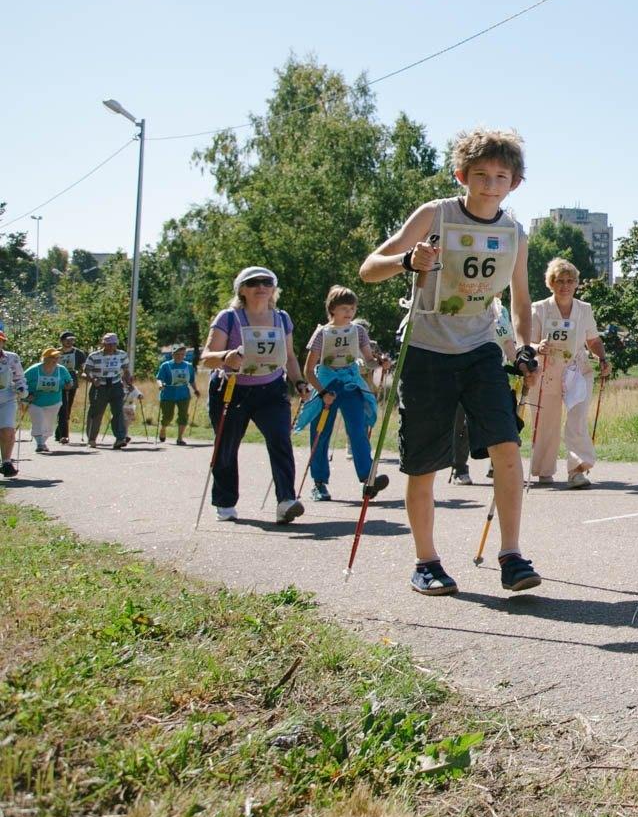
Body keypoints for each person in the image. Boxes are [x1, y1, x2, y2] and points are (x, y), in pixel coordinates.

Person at [360, 127, 542, 596]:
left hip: (480, 348)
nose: (489, 184)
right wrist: (407, 262)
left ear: (514, 183)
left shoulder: (514, 232)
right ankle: (427, 562)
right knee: (423, 463)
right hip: (425, 348)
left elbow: (520, 301)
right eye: (480, 175)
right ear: (462, 175)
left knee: (506, 445)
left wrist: (523, 345)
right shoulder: (435, 214)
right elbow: (369, 268)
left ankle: (512, 555)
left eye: (501, 176)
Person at [201, 267, 312, 523]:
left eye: (266, 282)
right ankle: (225, 503)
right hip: (231, 389)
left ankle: (286, 501)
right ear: (241, 290)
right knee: (226, 447)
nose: (260, 287)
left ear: (273, 289)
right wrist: (225, 357)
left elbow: (290, 356)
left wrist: (299, 383)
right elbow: (207, 358)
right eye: (253, 283)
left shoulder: (281, 318)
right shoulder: (228, 318)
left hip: (271, 389)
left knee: (280, 441)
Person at [527, 258, 609, 489]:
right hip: (547, 371)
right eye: (560, 281)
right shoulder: (539, 309)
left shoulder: (585, 309)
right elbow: (528, 343)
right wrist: (537, 348)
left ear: (576, 284)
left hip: (577, 371)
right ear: (551, 283)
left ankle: (577, 470)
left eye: (570, 281)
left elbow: (593, 340)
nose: (565, 285)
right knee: (545, 422)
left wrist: (602, 358)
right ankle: (544, 471)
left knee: (577, 420)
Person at [301, 286, 388, 503]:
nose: (349, 312)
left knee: (358, 430)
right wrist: (321, 393)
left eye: (352, 308)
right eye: (344, 308)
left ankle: (367, 479)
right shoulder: (322, 333)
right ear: (332, 309)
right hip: (328, 384)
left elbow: (368, 359)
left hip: (351, 384)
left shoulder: (358, 331)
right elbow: (308, 369)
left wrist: (379, 362)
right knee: (321, 433)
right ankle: (319, 483)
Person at [82, 332, 132, 448]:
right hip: (99, 387)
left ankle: (120, 438)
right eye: (108, 344)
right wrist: (93, 379)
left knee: (118, 411)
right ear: (103, 343)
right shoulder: (94, 356)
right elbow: (86, 371)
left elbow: (125, 370)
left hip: (116, 385)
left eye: (114, 344)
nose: (111, 346)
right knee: (96, 412)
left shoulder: (122, 354)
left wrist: (128, 382)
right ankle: (92, 438)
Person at [23, 348, 75, 456]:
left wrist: (68, 385)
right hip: (36, 401)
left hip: (54, 401)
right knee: (38, 421)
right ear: (45, 359)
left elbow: (69, 382)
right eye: (53, 357)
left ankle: (43, 441)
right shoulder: (33, 370)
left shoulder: (61, 370)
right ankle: (40, 444)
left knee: (48, 425)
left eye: (57, 357)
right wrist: (27, 394)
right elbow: (21, 381)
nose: (55, 360)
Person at [155, 344, 198, 445]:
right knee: (168, 416)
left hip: (183, 394)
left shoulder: (188, 366)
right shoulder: (166, 365)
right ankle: (163, 429)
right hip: (168, 394)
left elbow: (191, 380)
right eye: (177, 354)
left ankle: (180, 438)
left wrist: (196, 390)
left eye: (182, 354)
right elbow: (159, 378)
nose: (180, 356)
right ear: (173, 354)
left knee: (183, 416)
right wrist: (160, 385)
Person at [0, 330, 24, 476]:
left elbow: (19, 377)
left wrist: (22, 388)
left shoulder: (12, 358)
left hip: (7, 398)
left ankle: (7, 463)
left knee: (7, 431)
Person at [54, 331, 85, 443]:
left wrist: (84, 374)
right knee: (62, 408)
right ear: (62, 341)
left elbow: (83, 368)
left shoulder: (79, 353)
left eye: (72, 340)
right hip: (57, 383)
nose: (70, 342)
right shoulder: (55, 352)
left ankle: (60, 433)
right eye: (67, 340)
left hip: (72, 383)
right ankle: (64, 435)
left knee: (67, 408)